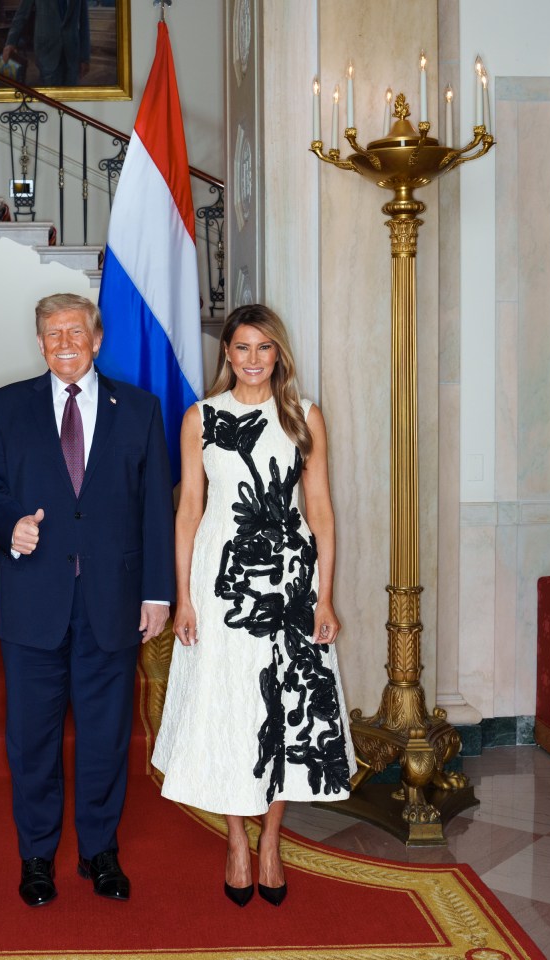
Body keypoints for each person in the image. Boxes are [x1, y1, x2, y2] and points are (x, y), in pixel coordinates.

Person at [0, 292, 174, 907]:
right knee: (32, 739)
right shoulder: (6, 408)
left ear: (97, 339)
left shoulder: (138, 409)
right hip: (33, 601)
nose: (64, 343)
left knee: (106, 736)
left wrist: (157, 592)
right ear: (39, 342)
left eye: (75, 332)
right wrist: (8, 525)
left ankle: (98, 852)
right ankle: (36, 857)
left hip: (111, 602)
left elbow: (155, 510)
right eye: (52, 333)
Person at [152, 304, 356, 908]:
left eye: (264, 349)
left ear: (279, 354)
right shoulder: (202, 418)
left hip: (291, 582)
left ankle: (271, 838)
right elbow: (189, 509)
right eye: (241, 348)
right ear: (227, 355)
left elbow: (320, 510)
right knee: (231, 705)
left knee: (285, 710)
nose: (252, 361)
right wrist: (183, 596)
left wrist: (324, 595)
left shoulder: (303, 416)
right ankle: (236, 839)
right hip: (223, 580)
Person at [1, 0, 91, 87]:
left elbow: (84, 21)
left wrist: (85, 57)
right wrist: (11, 42)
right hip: (47, 51)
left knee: (70, 97)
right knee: (51, 97)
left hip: (72, 53)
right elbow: (22, 13)